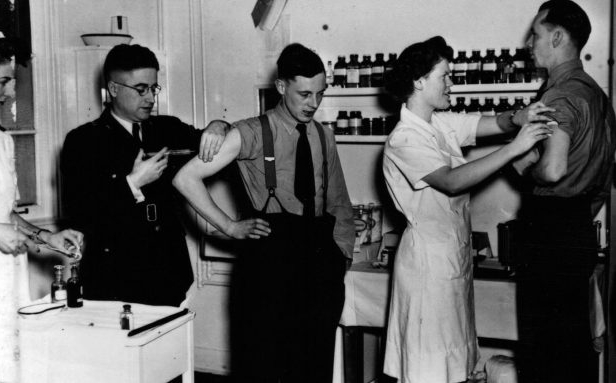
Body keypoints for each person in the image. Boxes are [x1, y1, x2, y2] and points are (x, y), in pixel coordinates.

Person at [173, 43, 354, 382]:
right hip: (270, 262)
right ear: (282, 87)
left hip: (318, 262)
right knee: (266, 363)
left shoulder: (323, 135)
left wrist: (340, 254)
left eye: (320, 94)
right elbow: (186, 178)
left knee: (314, 364)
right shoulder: (251, 132)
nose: (313, 104)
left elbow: (338, 201)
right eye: (304, 94)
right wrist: (229, 226)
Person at [381, 36, 553, 383]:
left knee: (455, 366)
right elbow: (451, 181)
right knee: (428, 369)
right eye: (444, 76)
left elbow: (485, 124)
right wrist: (515, 148)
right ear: (419, 81)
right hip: (427, 269)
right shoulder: (404, 138)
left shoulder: (437, 124)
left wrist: (520, 117)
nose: (451, 83)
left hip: (451, 261)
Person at [511, 1, 616, 381]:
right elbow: (602, 181)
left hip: (551, 234)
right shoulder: (598, 98)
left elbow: (553, 169)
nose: (529, 44)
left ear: (557, 37)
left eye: (535, 35)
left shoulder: (560, 95)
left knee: (544, 356)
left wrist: (524, 166)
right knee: (573, 352)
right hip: (578, 230)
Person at [61, 44, 207, 307]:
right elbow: (79, 212)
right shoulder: (83, 140)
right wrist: (133, 183)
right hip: (116, 280)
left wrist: (219, 126)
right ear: (114, 89)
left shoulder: (167, 128)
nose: (151, 98)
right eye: (141, 89)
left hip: (168, 275)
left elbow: (210, 139)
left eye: (154, 88)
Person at [0, 34, 83, 383]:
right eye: (2, 81)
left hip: (4, 276)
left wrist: (47, 237)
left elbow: (5, 213)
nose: (11, 93)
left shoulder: (1, 140)